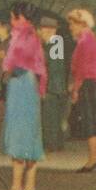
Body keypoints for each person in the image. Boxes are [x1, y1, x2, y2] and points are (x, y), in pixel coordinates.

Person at [0, 2, 45, 190]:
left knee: (18, 137)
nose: (11, 21)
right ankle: (30, 187)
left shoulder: (23, 36)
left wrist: (6, 68)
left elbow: (19, 64)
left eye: (12, 17)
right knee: (30, 138)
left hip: (21, 87)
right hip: (29, 86)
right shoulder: (32, 35)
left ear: (21, 18)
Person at [66, 8, 96, 172]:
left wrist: (75, 89)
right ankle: (93, 160)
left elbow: (82, 69)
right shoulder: (90, 38)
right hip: (92, 84)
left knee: (90, 123)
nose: (70, 27)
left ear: (82, 24)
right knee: (93, 123)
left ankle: (92, 162)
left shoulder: (85, 41)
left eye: (72, 24)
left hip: (87, 85)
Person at [38, 16, 68, 153]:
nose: (41, 33)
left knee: (50, 117)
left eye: (43, 30)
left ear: (49, 30)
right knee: (54, 117)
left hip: (53, 87)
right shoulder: (54, 43)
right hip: (55, 86)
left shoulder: (55, 43)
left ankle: (52, 145)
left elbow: (54, 68)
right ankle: (56, 144)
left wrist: (46, 87)